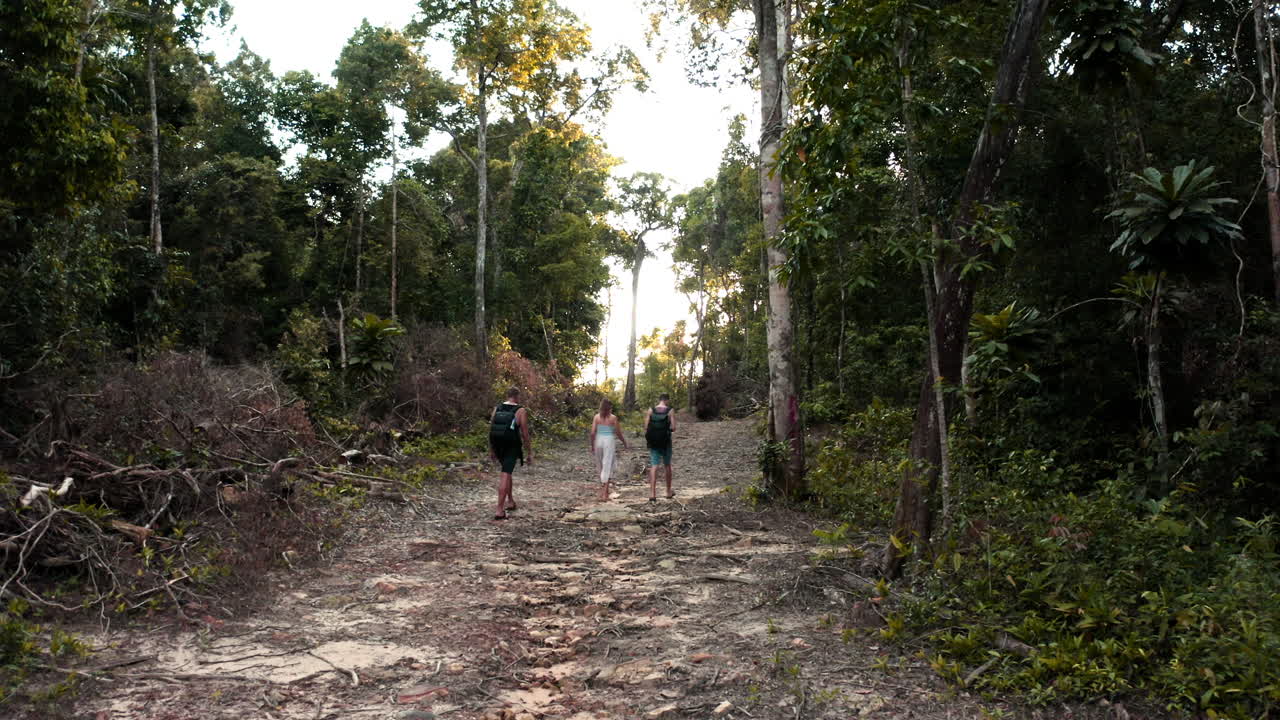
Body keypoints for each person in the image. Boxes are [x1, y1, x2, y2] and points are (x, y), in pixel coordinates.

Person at [488, 387, 532, 520]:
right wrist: (529, 451)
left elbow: (491, 428)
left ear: (508, 396)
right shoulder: (520, 410)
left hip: (497, 443)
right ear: (517, 396)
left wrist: (491, 450)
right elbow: (524, 433)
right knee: (505, 474)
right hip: (511, 444)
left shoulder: (498, 408)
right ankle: (499, 510)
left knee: (507, 471)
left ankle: (510, 501)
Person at [589, 398, 629, 502]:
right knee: (607, 465)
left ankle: (604, 491)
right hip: (609, 441)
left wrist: (592, 445)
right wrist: (624, 442)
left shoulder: (596, 417)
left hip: (598, 440)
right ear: (609, 408)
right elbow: (618, 432)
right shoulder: (613, 418)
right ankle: (605, 493)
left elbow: (592, 433)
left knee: (600, 465)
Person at [643, 393, 676, 502]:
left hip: (654, 442)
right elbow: (674, 427)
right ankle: (668, 492)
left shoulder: (651, 410)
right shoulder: (670, 410)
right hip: (666, 441)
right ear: (667, 400)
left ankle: (652, 494)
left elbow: (646, 426)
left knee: (654, 466)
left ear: (659, 400)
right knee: (667, 465)